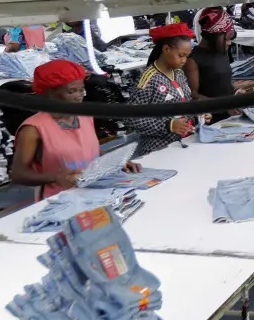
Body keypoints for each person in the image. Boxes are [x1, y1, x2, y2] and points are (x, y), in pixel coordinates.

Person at [11, 60, 140, 198]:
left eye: (81, 89)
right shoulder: (33, 129)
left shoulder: (85, 115)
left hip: (95, 190)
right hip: (59, 198)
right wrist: (55, 177)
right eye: (71, 91)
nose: (80, 96)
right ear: (50, 93)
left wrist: (115, 163)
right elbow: (18, 174)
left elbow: (90, 152)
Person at [129, 23, 198, 156]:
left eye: (186, 56)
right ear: (166, 49)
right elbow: (131, 119)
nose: (184, 60)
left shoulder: (178, 73)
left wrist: (197, 114)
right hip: (159, 149)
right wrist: (168, 125)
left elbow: (186, 103)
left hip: (183, 143)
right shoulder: (149, 79)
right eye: (181, 55)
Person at [186, 8, 236, 101]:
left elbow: (224, 83)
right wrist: (223, 106)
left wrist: (235, 91)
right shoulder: (193, 60)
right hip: (213, 112)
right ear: (213, 36)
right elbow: (193, 95)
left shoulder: (221, 50)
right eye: (226, 38)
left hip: (230, 109)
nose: (229, 43)